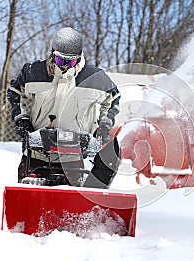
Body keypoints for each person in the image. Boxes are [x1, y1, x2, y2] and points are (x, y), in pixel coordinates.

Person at [7, 27, 120, 189]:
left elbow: (113, 99)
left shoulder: (95, 79)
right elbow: (15, 92)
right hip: (36, 154)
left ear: (79, 58)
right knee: (30, 201)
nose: (65, 66)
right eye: (61, 61)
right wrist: (21, 120)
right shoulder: (33, 72)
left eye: (71, 62)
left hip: (72, 159)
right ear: (53, 54)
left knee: (70, 206)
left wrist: (104, 124)